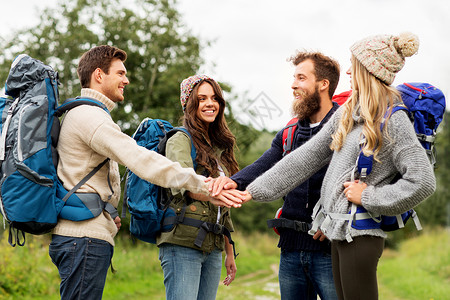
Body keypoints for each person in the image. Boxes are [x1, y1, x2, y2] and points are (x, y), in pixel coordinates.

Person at [243, 32, 436, 300]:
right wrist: (253, 191)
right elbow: (307, 157)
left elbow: (423, 181)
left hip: (362, 234)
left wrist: (368, 196)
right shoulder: (350, 113)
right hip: (340, 232)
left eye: (353, 65)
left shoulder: (394, 119)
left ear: (369, 70)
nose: (347, 70)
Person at [48, 46, 225, 300]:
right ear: (99, 75)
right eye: (120, 73)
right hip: (82, 238)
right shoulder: (90, 117)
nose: (126, 80)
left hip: (85, 234)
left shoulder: (85, 114)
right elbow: (141, 160)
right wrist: (202, 183)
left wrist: (107, 212)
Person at [211, 51, 340, 300]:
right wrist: (234, 181)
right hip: (290, 248)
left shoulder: (346, 128)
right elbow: (265, 164)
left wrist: (335, 221)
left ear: (323, 84)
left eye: (301, 78)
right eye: (294, 78)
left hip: (330, 249)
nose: (294, 85)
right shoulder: (289, 131)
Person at [157, 75, 241, 300]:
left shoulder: (215, 148)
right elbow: (183, 183)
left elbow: (224, 208)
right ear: (189, 104)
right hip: (182, 244)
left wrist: (229, 252)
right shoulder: (179, 140)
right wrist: (211, 193)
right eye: (201, 98)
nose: (209, 103)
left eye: (214, 98)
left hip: (212, 247)